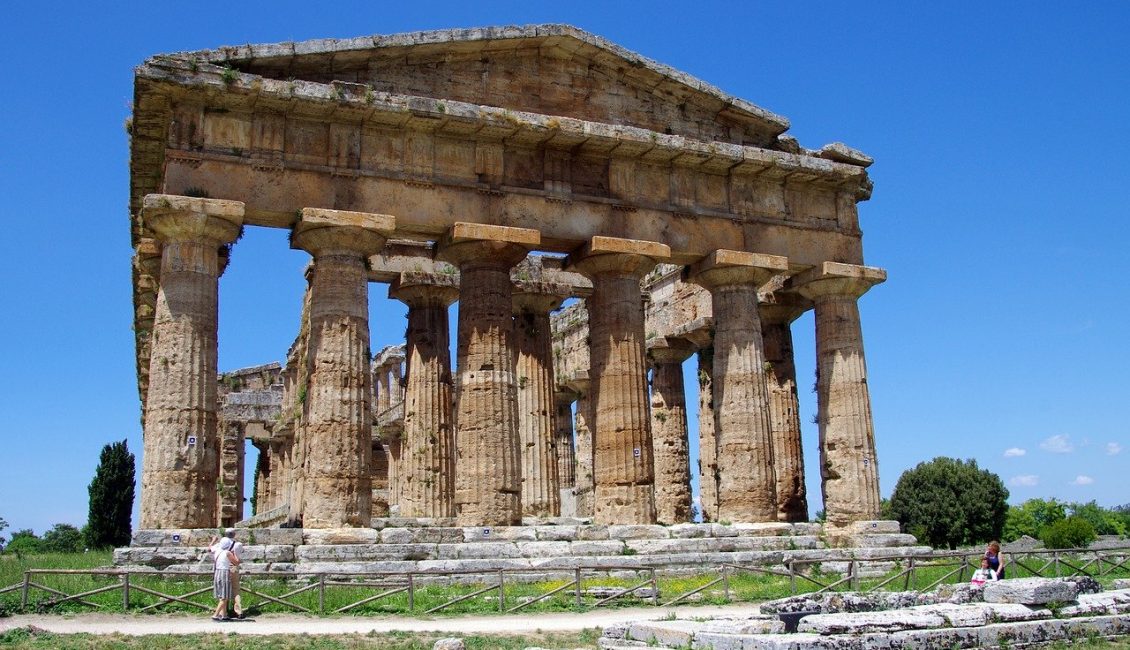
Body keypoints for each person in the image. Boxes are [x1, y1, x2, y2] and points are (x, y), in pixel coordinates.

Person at [208, 536, 240, 621]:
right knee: (225, 597)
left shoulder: (218, 550)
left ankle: (224, 615)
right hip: (224, 573)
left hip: (217, 572)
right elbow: (236, 562)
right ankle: (216, 615)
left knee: (222, 595)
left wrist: (213, 540)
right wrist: (235, 553)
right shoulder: (228, 553)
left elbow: (210, 548)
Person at [226, 529, 245, 619]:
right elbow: (241, 553)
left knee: (224, 590)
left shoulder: (222, 545)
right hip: (234, 567)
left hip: (224, 567)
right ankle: (238, 611)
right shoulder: (238, 545)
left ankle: (224, 611)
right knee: (236, 590)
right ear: (234, 534)